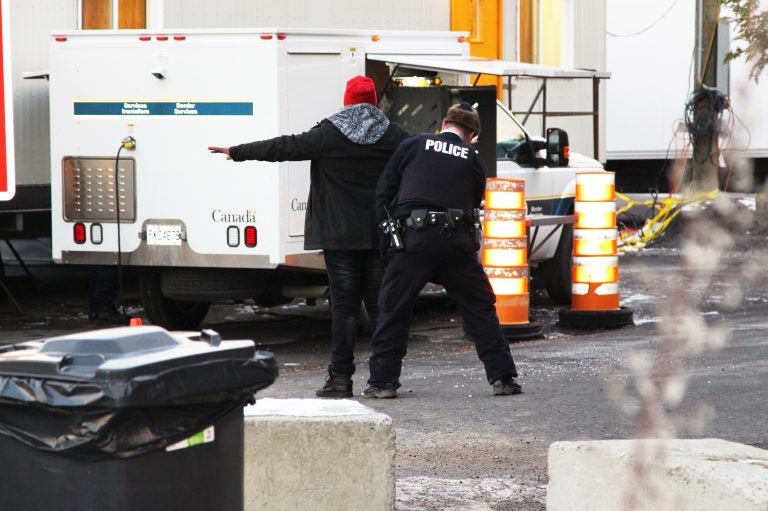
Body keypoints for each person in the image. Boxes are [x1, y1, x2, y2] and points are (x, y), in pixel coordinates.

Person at [209, 75, 410, 398]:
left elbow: (283, 147)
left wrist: (237, 151)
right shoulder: (395, 135)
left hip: (338, 235)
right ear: (374, 101)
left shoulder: (329, 134)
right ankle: (384, 381)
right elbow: (421, 158)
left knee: (344, 310)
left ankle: (340, 379)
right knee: (379, 307)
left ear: (347, 100)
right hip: (377, 235)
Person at [364, 102, 521, 399]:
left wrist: (388, 243)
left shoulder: (413, 145)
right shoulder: (473, 159)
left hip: (414, 239)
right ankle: (503, 378)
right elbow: (474, 202)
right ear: (471, 134)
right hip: (455, 242)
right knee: (480, 309)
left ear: (444, 125)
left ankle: (383, 382)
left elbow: (384, 193)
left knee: (394, 309)